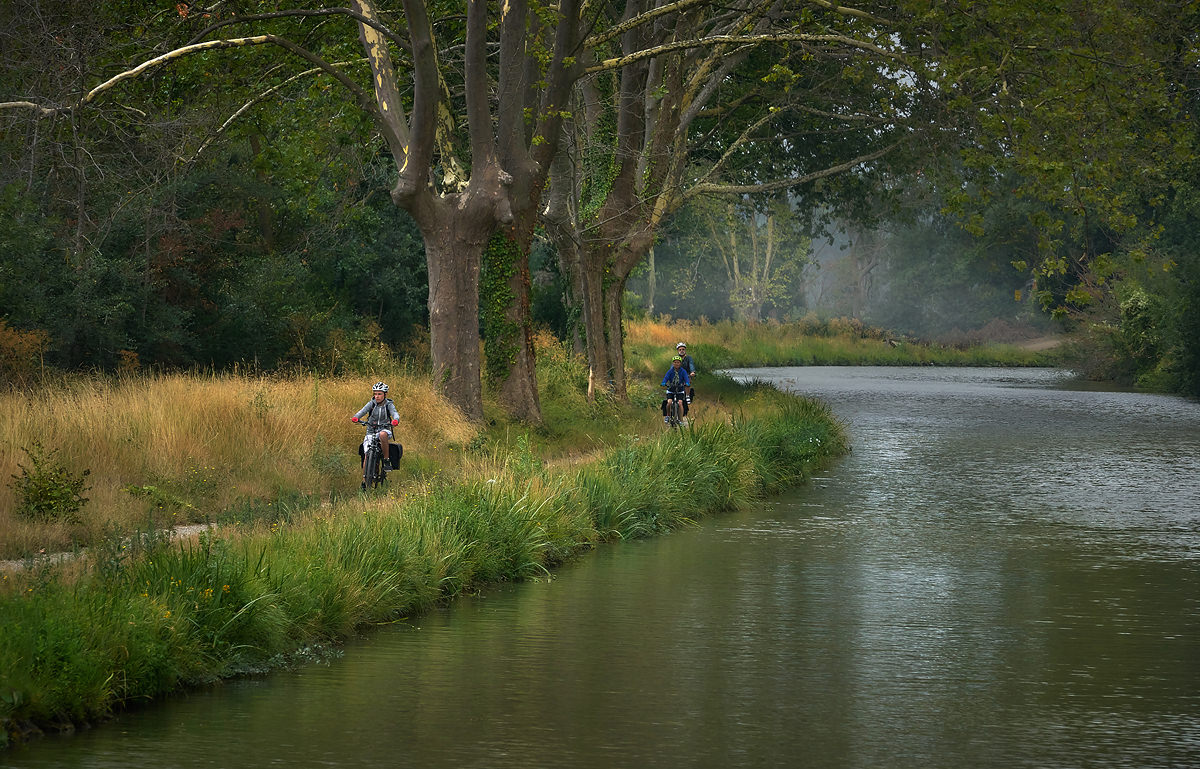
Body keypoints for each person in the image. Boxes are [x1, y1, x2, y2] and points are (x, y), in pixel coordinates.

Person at [351, 382, 400, 471]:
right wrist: (355, 417)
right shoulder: (371, 404)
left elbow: (395, 413)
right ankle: (365, 481)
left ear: (385, 394)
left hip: (384, 429)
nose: (377, 396)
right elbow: (362, 411)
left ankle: (386, 460)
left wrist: (395, 420)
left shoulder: (389, 404)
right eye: (375, 394)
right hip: (371, 431)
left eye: (379, 394)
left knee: (382, 434)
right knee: (367, 455)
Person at [660, 355, 691, 425]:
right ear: (673, 363)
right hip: (671, 389)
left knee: (680, 403)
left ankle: (681, 419)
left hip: (680, 389)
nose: (676, 364)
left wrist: (687, 383)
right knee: (669, 402)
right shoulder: (670, 371)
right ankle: (667, 416)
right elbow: (666, 377)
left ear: (680, 363)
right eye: (675, 362)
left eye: (678, 362)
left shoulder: (683, 371)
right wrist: (663, 382)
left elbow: (686, 378)